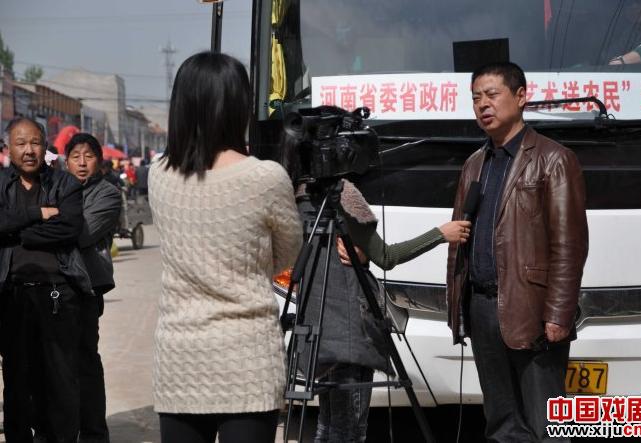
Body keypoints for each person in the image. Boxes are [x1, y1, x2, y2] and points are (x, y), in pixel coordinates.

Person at [281, 114, 472, 442]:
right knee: (350, 430)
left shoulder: (294, 197)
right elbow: (387, 258)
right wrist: (441, 233)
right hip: (351, 331)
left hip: (316, 332)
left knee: (327, 425)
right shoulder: (345, 196)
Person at [148, 51, 302, 443]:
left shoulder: (158, 176)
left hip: (180, 358)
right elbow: (287, 256)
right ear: (238, 105)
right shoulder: (265, 177)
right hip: (247, 358)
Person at [446, 62, 588, 442]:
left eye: (492, 95)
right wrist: (459, 307)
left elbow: (569, 246)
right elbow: (462, 237)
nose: (483, 105)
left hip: (532, 307)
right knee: (501, 421)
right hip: (481, 307)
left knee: (546, 424)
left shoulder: (554, 159)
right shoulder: (475, 164)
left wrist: (557, 314)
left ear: (521, 96)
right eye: (476, 98)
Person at [0, 116, 94, 442]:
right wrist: (38, 214)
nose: (29, 150)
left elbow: (69, 227)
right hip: (11, 296)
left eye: (35, 142)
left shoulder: (64, 184)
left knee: (61, 380)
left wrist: (17, 232)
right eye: (21, 143)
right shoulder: (1, 184)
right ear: (8, 148)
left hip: (59, 294)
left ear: (45, 145)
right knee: (16, 380)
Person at [65, 132, 122, 443]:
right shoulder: (56, 188)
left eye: (88, 156)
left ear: (99, 161)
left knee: (86, 360)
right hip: (53, 287)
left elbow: (81, 234)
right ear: (66, 160)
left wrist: (44, 222)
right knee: (56, 363)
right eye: (76, 156)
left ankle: (94, 433)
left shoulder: (108, 194)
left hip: (87, 286)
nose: (82, 162)